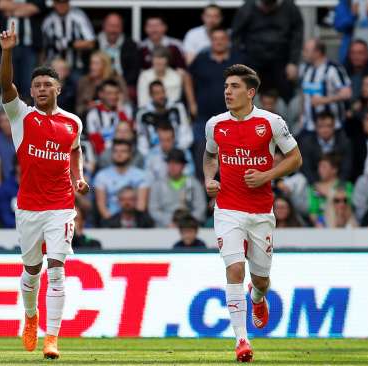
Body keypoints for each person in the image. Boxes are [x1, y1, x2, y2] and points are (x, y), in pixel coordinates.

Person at [0, 21, 89, 359]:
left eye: (46, 84)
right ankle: (31, 316)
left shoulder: (72, 122)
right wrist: (7, 52)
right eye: (35, 85)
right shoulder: (21, 116)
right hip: (29, 205)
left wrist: (78, 178)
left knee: (57, 269)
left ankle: (52, 338)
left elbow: (75, 150)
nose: (39, 89)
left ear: (57, 89)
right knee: (31, 270)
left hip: (61, 206)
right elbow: (6, 84)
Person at [203, 64, 301, 361]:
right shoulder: (215, 124)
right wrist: (210, 179)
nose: (227, 92)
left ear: (250, 92)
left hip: (260, 212)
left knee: (260, 279)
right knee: (234, 268)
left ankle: (258, 298)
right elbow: (209, 156)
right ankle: (242, 341)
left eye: (234, 87)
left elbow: (295, 158)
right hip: (228, 209)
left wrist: (266, 175)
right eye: (226, 87)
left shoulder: (271, 122)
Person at [188, 27, 242, 165]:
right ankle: (202, 184)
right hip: (204, 116)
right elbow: (187, 77)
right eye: (215, 39)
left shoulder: (238, 59)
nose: (218, 42)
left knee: (231, 154)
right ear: (210, 41)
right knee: (201, 151)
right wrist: (191, 103)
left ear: (228, 41)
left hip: (232, 116)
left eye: (222, 39)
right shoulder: (201, 59)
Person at [231, 0, 303, 102]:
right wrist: (242, 63)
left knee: (287, 94)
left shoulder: (289, 7)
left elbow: (297, 36)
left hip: (281, 60)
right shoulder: (248, 7)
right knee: (249, 94)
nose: (267, 10)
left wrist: (293, 62)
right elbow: (236, 36)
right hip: (254, 61)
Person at [0, 0, 46, 96]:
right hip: (4, 45)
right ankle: (7, 110)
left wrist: (11, 11)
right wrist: (25, 8)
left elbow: (36, 7)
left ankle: (28, 108)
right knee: (7, 82)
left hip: (29, 46)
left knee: (28, 83)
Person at [299, 39, 352, 133]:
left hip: (333, 127)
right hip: (309, 126)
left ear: (317, 52)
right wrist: (302, 116)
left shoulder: (334, 69)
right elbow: (305, 94)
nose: (303, 53)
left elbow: (347, 93)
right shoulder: (305, 69)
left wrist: (324, 100)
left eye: (306, 50)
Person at [94, 139, 150, 221]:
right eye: (116, 151)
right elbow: (101, 205)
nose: (119, 154)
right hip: (110, 221)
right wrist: (113, 224)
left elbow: (141, 205)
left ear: (130, 154)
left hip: (135, 222)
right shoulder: (101, 176)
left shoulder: (141, 175)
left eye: (123, 151)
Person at [149, 149, 206, 228]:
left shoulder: (194, 184)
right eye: (170, 163)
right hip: (164, 228)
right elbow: (153, 209)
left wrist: (187, 222)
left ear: (183, 165)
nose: (172, 166)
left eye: (176, 163)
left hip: (189, 228)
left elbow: (201, 208)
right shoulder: (157, 185)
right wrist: (168, 221)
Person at [136, 80, 193, 156]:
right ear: (150, 95)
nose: (161, 96)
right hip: (153, 154)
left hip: (177, 152)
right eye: (157, 93)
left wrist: (176, 153)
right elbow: (142, 141)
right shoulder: (143, 114)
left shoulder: (177, 108)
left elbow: (186, 134)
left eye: (162, 92)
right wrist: (152, 156)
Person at [41, 0, 95, 76]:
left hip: (75, 66)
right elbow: (43, 47)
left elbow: (91, 43)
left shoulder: (78, 17)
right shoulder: (48, 20)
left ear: (68, 3)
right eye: (59, 2)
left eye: (64, 2)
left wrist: (67, 43)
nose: (61, 5)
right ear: (54, 3)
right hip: (53, 67)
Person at [299, 111, 353, 184]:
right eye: (321, 126)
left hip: (339, 182)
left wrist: (338, 184)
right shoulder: (307, 143)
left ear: (334, 126)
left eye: (328, 126)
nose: (325, 130)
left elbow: (346, 168)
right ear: (315, 127)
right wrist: (317, 184)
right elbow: (306, 168)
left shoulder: (344, 142)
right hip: (313, 182)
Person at [95, 13, 140, 95]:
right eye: (111, 26)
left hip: (123, 84)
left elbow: (134, 70)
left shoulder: (130, 45)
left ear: (121, 28)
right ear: (104, 27)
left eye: (117, 26)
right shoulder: (95, 43)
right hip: (100, 83)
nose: (113, 30)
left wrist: (121, 85)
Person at [85, 79, 132, 154]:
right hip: (104, 154)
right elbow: (95, 140)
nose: (113, 97)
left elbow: (129, 133)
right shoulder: (93, 114)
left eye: (116, 93)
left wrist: (120, 111)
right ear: (101, 94)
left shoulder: (125, 110)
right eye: (109, 93)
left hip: (125, 152)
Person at [75, 51, 128, 118]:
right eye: (91, 63)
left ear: (105, 65)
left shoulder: (117, 80)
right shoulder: (84, 81)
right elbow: (78, 109)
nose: (92, 67)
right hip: (89, 117)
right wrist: (88, 107)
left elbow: (126, 101)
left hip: (114, 116)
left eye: (96, 64)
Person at [307, 154, 353, 227]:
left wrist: (329, 194)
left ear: (334, 169)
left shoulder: (345, 186)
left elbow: (348, 208)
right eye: (319, 167)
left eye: (324, 167)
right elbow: (313, 212)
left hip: (343, 226)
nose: (320, 170)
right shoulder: (315, 188)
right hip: (321, 228)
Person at [0, 157, 20, 228]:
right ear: (16, 166)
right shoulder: (5, 188)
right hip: (11, 231)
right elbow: (5, 216)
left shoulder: (38, 186)